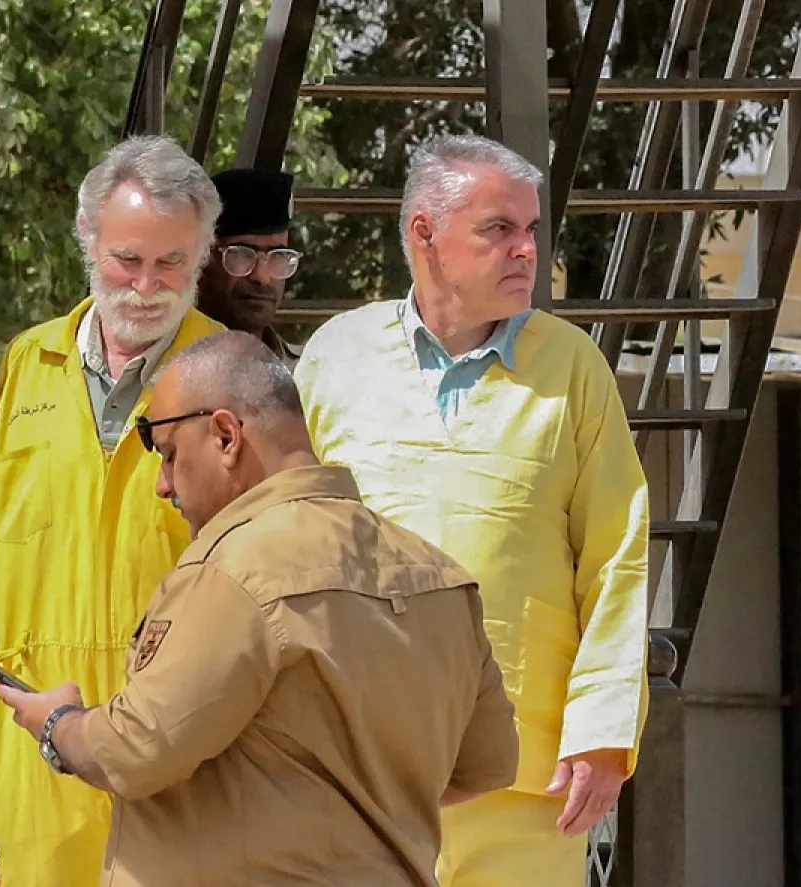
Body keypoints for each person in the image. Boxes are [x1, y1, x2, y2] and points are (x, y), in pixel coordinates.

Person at [0, 331, 519, 887]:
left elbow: (135, 750)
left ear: (225, 435)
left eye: (170, 455)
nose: (162, 485)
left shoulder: (233, 569)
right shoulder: (439, 577)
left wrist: (58, 723)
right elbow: (488, 764)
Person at [293, 133, 651, 887]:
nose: (527, 250)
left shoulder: (573, 367)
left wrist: (604, 734)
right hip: (361, 766)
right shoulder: (335, 357)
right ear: (425, 233)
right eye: (499, 229)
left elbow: (618, 559)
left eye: (531, 230)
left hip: (526, 776)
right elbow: (283, 543)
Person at [0, 135, 224, 886]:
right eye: (128, 259)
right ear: (88, 241)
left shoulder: (231, 374)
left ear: (202, 258)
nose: (147, 285)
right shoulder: (26, 363)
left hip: (176, 744)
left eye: (171, 263)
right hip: (32, 742)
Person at [197, 168, 302, 365]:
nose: (262, 277)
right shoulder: (161, 370)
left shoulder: (304, 373)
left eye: (278, 256)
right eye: (242, 254)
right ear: (203, 259)